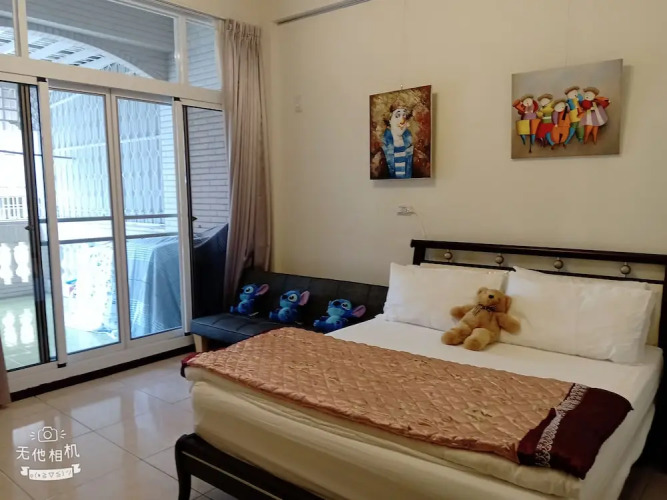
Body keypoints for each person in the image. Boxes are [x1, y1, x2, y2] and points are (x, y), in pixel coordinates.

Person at [381, 103, 414, 179]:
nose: (402, 121)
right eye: (397, 115)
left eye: (404, 115)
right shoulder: (382, 151)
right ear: (389, 120)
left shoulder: (413, 151)